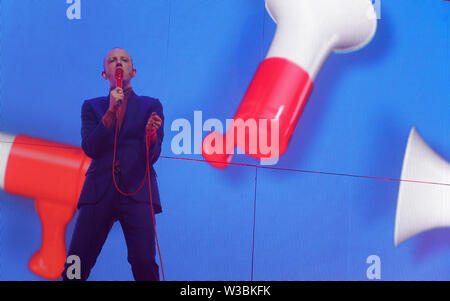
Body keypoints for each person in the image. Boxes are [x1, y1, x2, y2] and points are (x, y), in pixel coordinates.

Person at [62, 47, 164, 281]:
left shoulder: (151, 106)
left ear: (134, 71)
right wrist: (109, 113)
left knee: (144, 262)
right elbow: (91, 148)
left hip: (137, 191)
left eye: (124, 60)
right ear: (104, 73)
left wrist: (150, 135)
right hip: (99, 191)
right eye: (112, 60)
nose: (118, 63)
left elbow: (153, 155)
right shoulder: (92, 107)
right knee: (76, 261)